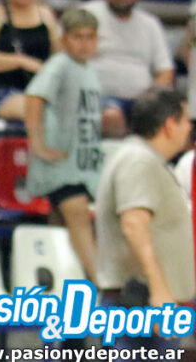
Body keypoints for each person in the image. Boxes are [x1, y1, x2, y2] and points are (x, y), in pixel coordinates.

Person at [95, 87, 193, 353]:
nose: (189, 128)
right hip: (139, 302)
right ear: (169, 125)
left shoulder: (144, 158)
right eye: (185, 120)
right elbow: (134, 224)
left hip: (145, 301)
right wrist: (159, 290)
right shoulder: (138, 160)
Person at [24, 7, 101, 281]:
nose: (84, 43)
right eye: (77, 37)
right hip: (60, 165)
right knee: (78, 219)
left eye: (90, 37)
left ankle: (69, 282)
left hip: (81, 162)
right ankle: (100, 282)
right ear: (64, 38)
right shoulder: (59, 65)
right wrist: (38, 143)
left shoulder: (89, 69)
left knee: (61, 225)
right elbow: (34, 98)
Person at [81, 0, 173, 138]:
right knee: (112, 116)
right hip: (96, 98)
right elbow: (68, 55)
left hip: (140, 102)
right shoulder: (87, 15)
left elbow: (165, 71)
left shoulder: (150, 24)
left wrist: (149, 101)